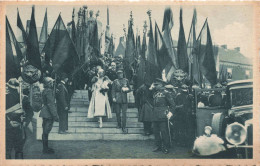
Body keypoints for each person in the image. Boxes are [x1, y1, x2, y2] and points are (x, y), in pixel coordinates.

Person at [149, 78, 176, 154]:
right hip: (155, 115)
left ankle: (166, 147)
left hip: (163, 115)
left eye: (157, 85)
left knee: (164, 132)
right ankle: (158, 146)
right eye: (155, 85)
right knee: (156, 131)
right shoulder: (155, 93)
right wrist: (150, 89)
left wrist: (170, 113)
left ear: (162, 85)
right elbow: (148, 98)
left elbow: (173, 105)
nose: (155, 86)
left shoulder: (166, 93)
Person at [6, 78, 25, 159]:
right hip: (18, 126)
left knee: (7, 150)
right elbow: (29, 112)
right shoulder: (23, 98)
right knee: (19, 149)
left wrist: (8, 122)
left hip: (8, 126)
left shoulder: (4, 98)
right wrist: (24, 121)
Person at [39, 77, 59, 154]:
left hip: (45, 112)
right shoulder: (49, 91)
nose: (53, 84)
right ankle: (45, 149)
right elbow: (51, 104)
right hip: (48, 114)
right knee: (46, 131)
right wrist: (55, 116)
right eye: (51, 83)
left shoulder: (45, 90)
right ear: (48, 83)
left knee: (45, 131)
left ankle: (45, 148)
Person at [112, 69, 131, 134]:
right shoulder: (115, 81)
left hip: (124, 99)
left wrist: (126, 90)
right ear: (117, 75)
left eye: (121, 73)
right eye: (119, 74)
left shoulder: (126, 80)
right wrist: (113, 97)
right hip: (117, 98)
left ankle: (124, 127)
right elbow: (113, 90)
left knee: (124, 114)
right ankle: (119, 124)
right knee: (117, 112)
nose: (120, 75)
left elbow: (130, 89)